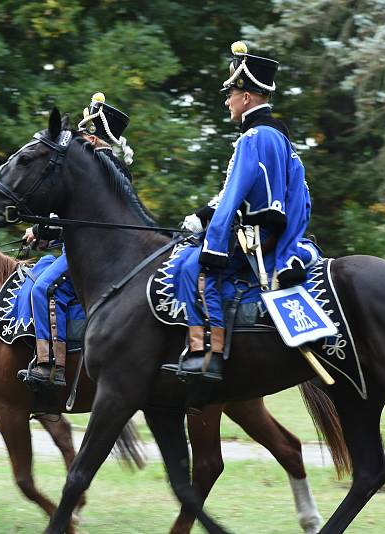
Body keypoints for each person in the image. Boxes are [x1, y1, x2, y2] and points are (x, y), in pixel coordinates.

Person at [162, 41, 318, 382]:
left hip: (254, 236)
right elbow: (297, 196)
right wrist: (203, 214)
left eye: (230, 93)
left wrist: (213, 242)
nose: (226, 100)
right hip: (279, 231)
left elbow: (234, 197)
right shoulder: (279, 137)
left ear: (246, 97)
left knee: (193, 267)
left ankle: (208, 354)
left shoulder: (252, 138)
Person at [22, 92, 132, 387]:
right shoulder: (108, 169)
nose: (81, 140)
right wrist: (43, 231)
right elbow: (78, 220)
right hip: (91, 253)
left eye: (86, 135)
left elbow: (93, 226)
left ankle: (50, 364)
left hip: (98, 259)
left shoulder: (105, 171)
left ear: (96, 139)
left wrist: (46, 231)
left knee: (43, 289)